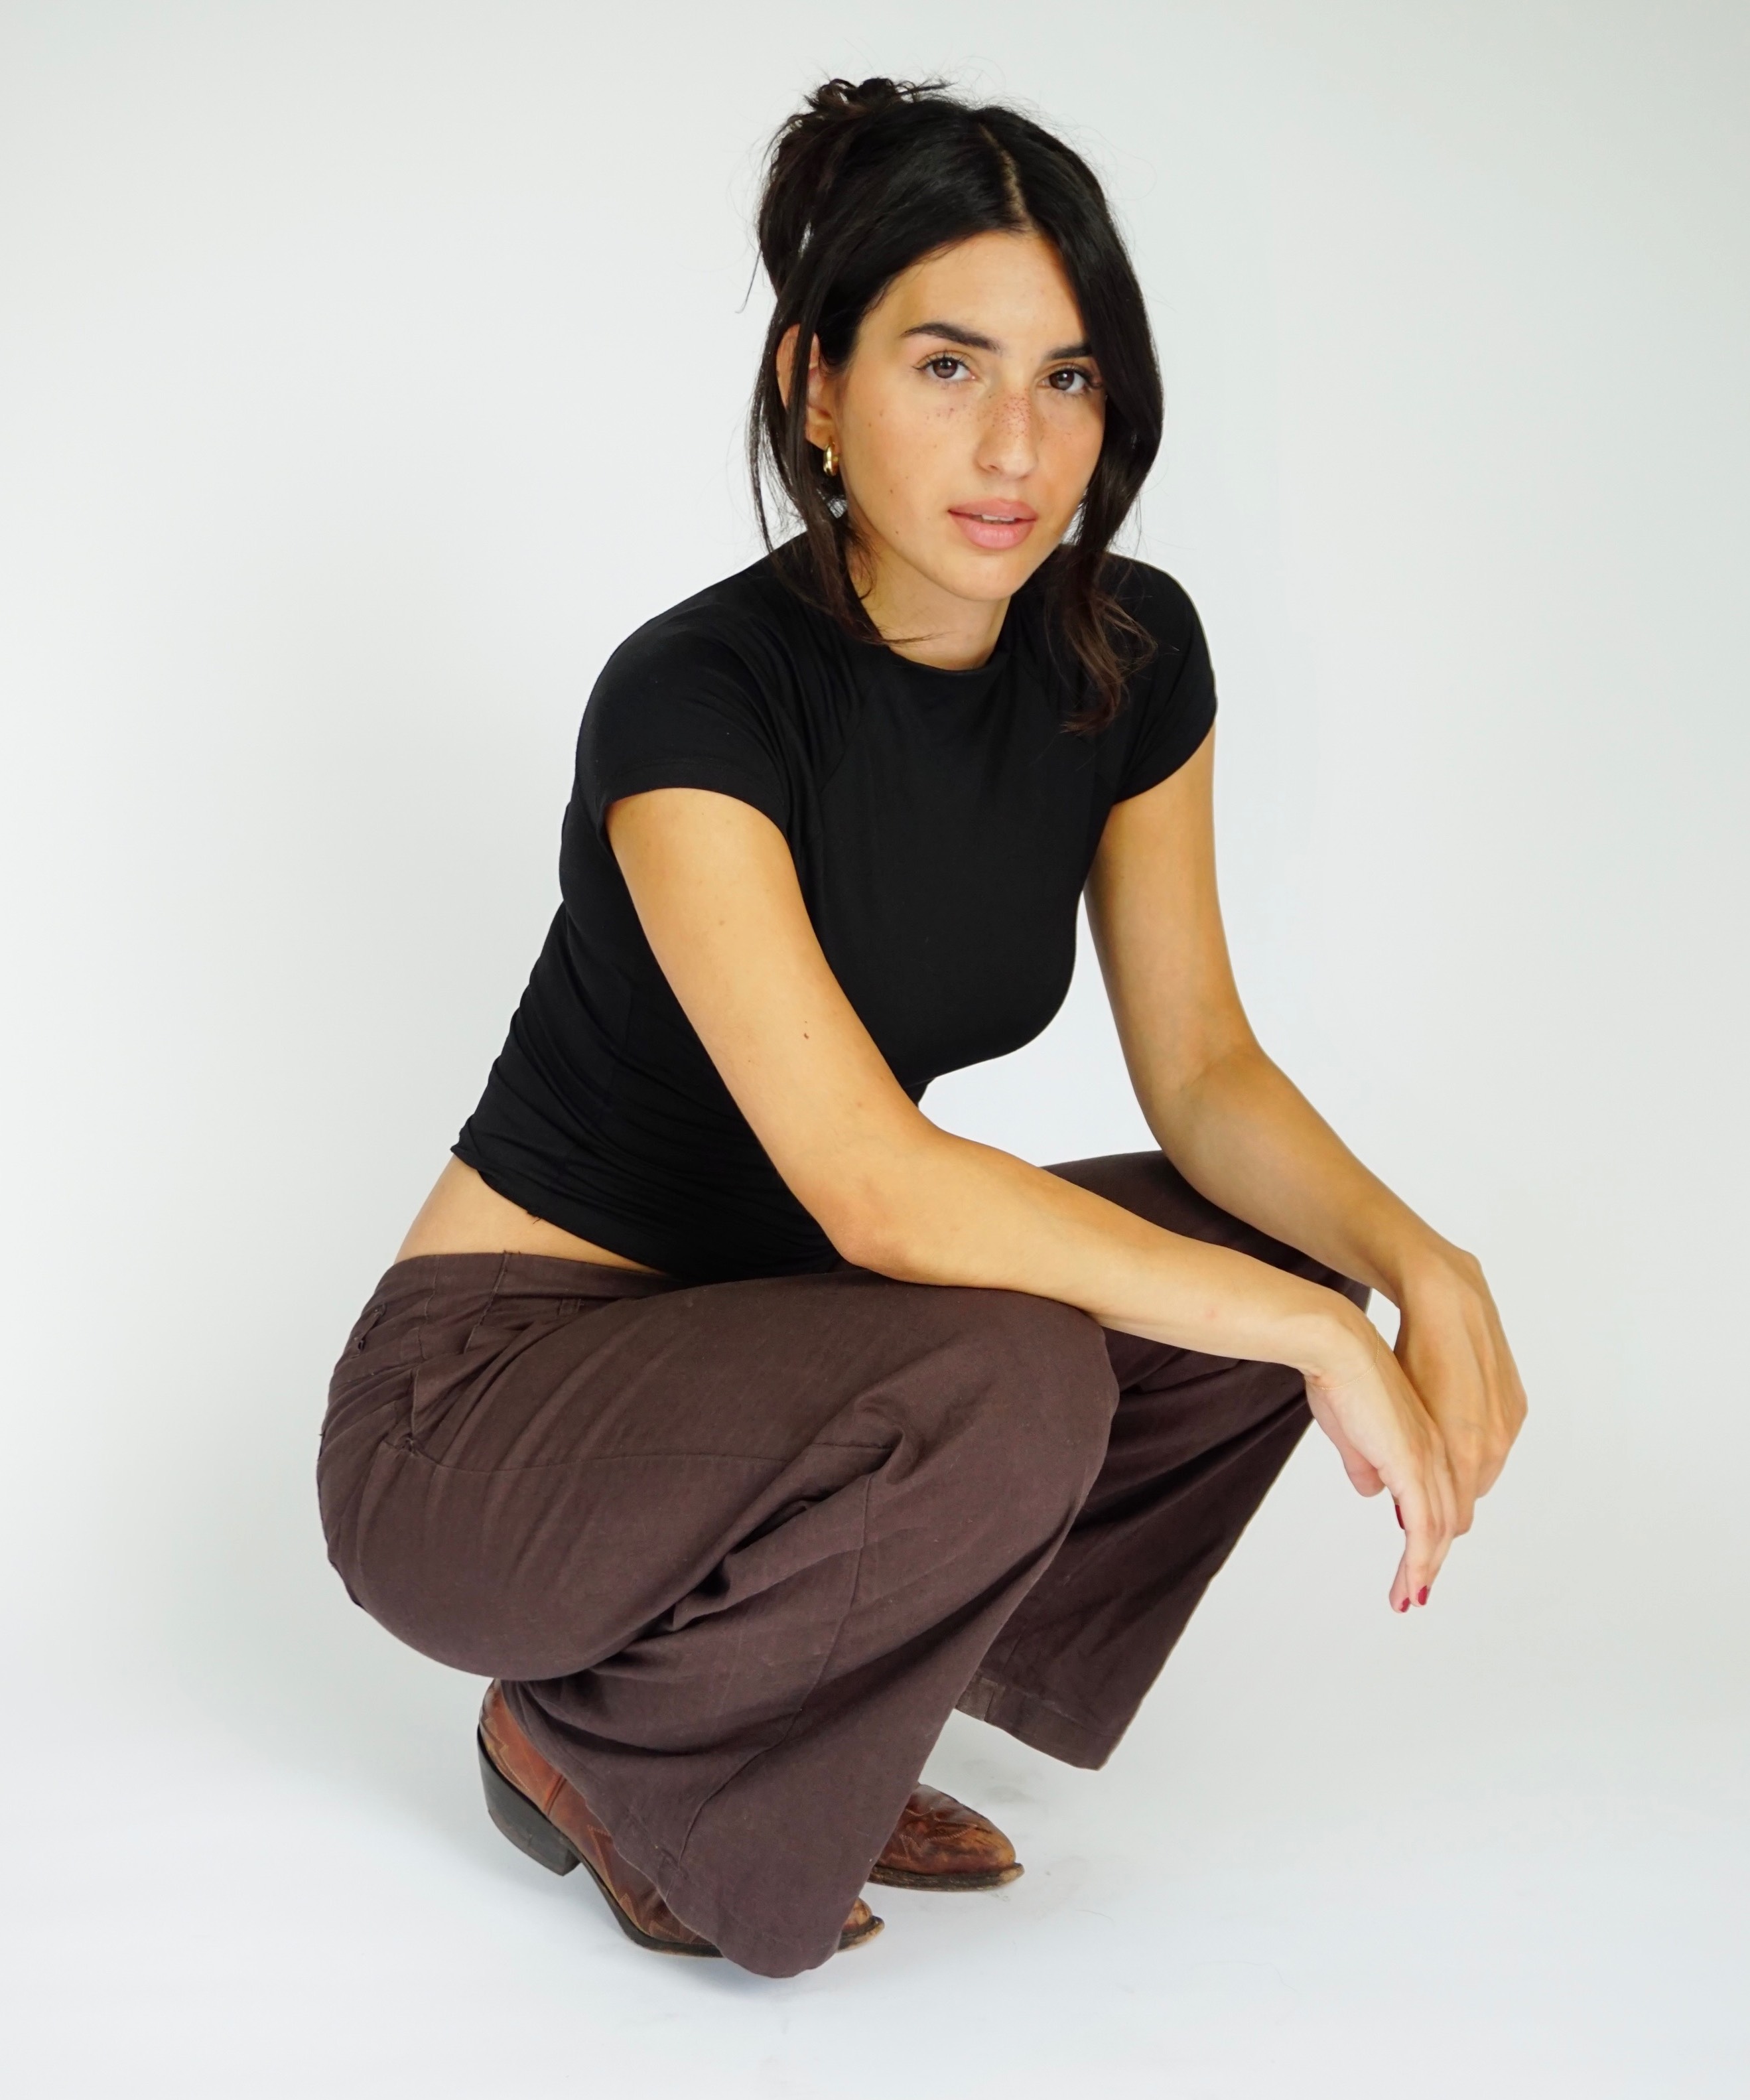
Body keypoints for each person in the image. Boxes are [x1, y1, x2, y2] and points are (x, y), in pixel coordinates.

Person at [317, 76, 1526, 1981]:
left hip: (786, 1344)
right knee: (1036, 1367)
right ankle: (601, 1737)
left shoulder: (1127, 656)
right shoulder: (696, 699)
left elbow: (1204, 1072)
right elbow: (872, 1190)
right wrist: (1310, 1337)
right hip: (487, 1414)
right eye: (947, 365)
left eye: (1067, 377)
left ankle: (811, 1720)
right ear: (817, 383)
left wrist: (1409, 1265)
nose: (1014, 445)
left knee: (1256, 1246)